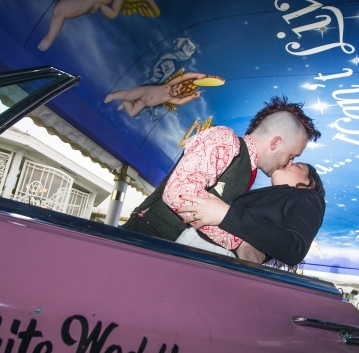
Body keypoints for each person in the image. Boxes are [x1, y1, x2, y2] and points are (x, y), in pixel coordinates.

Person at [121, 96, 322, 252]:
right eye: (292, 156)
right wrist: (237, 241)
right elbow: (178, 193)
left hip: (167, 253)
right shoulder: (225, 139)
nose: (289, 162)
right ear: (275, 143)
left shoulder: (247, 173)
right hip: (141, 241)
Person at [176, 162, 325, 265]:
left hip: (218, 257)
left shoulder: (310, 197)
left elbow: (295, 248)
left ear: (310, 184)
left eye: (298, 165)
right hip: (193, 245)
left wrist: (226, 214)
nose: (288, 163)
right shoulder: (268, 196)